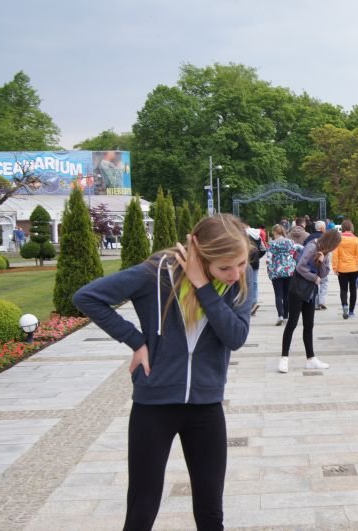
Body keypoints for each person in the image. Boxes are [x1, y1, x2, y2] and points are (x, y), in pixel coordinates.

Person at [72, 214, 252, 530]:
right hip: (153, 406)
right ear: (200, 253)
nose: (235, 274)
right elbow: (87, 297)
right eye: (225, 267)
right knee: (141, 510)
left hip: (206, 406)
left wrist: (203, 285)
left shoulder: (239, 280)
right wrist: (135, 341)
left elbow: (235, 336)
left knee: (211, 514)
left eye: (240, 263)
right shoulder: (156, 274)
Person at [279, 230, 342, 373]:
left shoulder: (324, 251)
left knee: (309, 325)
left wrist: (322, 261)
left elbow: (324, 273)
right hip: (297, 290)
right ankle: (284, 358)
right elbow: (300, 267)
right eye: (336, 244)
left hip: (310, 292)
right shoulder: (312, 246)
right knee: (292, 323)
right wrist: (314, 278)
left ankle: (311, 359)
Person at [266, 224, 302, 326]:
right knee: (287, 295)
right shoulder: (290, 242)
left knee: (278, 295)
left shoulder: (272, 244)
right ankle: (286, 316)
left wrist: (269, 271)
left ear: (275, 232)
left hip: (276, 271)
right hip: (289, 271)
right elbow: (302, 248)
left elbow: (268, 259)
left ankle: (280, 316)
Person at [332, 219, 358, 319]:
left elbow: (335, 255)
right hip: (354, 268)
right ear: (351, 227)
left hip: (342, 269)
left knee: (343, 289)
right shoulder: (355, 239)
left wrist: (335, 267)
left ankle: (344, 305)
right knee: (353, 290)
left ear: (342, 228)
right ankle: (351, 312)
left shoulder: (338, 240)